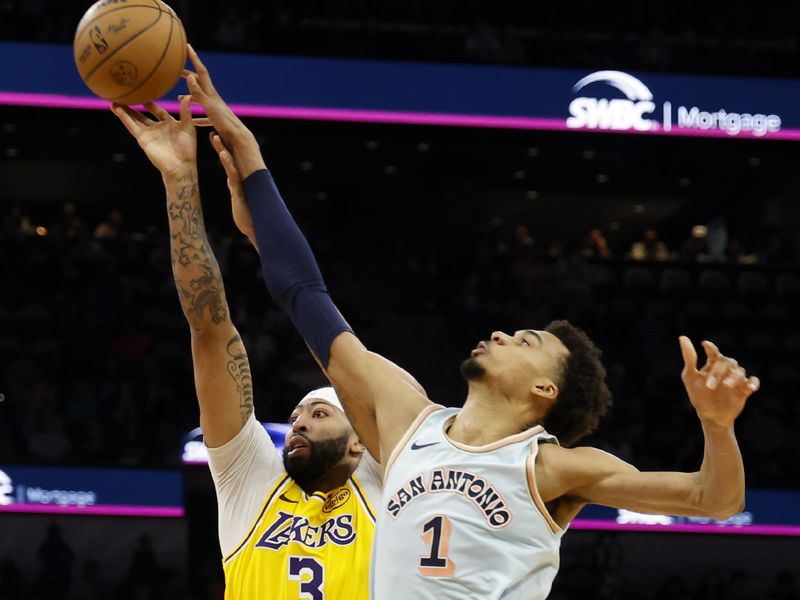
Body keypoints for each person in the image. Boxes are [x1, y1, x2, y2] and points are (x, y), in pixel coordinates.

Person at [184, 45, 760, 599]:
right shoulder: (408, 422)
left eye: (526, 340)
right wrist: (253, 161)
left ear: (544, 388)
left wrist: (716, 424)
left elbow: (715, 499)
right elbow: (304, 295)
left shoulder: (554, 467)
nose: (504, 333)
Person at [111, 93, 381, 599]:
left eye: (320, 413)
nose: (298, 422)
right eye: (300, 414)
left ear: (361, 440)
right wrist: (179, 183)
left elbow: (351, 360)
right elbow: (210, 330)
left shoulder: (389, 484)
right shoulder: (251, 477)